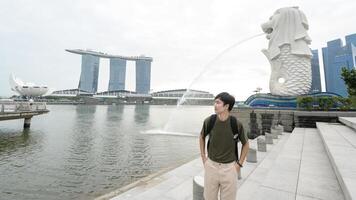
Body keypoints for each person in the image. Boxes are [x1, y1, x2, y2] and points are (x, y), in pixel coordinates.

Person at [199, 92, 249, 200]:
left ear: (226, 106)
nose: (215, 105)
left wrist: (238, 165)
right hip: (211, 167)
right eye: (215, 102)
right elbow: (201, 136)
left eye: (218, 102)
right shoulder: (209, 121)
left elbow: (246, 144)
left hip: (230, 169)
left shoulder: (236, 124)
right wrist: (203, 157)